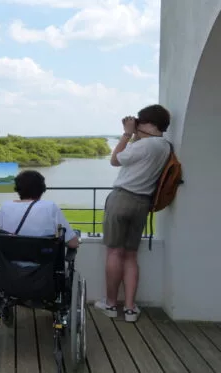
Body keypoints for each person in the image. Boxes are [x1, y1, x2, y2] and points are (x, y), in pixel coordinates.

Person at [95, 104, 171, 323]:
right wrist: (138, 134)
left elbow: (114, 160)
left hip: (122, 199)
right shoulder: (165, 146)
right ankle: (129, 308)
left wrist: (127, 134)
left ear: (149, 123)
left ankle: (110, 304)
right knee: (130, 256)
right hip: (143, 203)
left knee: (114, 253)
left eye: (141, 120)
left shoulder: (144, 145)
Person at [0, 170, 79, 252]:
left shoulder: (5, 207)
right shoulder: (51, 207)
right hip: (44, 268)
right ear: (42, 189)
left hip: (10, 267)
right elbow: (73, 243)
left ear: (17, 189)